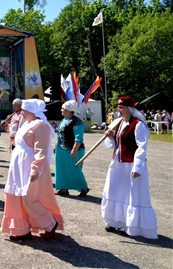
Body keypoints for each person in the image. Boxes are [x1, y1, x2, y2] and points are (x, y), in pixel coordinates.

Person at [1, 99, 63, 241]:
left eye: (24, 110)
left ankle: (49, 223)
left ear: (31, 111)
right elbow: (22, 142)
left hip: (28, 165)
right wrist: (13, 137)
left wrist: (36, 169)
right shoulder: (26, 124)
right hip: (19, 165)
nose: (21, 112)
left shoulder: (40, 126)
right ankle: (22, 229)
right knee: (17, 196)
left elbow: (41, 150)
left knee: (29, 198)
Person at [102, 96, 158, 239]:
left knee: (131, 194)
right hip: (117, 164)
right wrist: (111, 136)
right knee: (114, 190)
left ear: (130, 109)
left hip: (131, 164)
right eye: (118, 108)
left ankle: (132, 225)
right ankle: (114, 221)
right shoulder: (119, 123)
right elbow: (118, 145)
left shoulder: (138, 124)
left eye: (121, 108)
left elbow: (142, 147)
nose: (118, 110)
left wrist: (138, 167)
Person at [54, 100, 90, 197]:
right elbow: (60, 135)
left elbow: (79, 138)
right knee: (61, 168)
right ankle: (63, 188)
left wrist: (74, 149)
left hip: (73, 149)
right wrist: (56, 146)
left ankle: (83, 187)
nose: (61, 110)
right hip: (62, 148)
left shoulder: (77, 122)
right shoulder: (64, 120)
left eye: (63, 108)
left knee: (73, 169)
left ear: (68, 110)